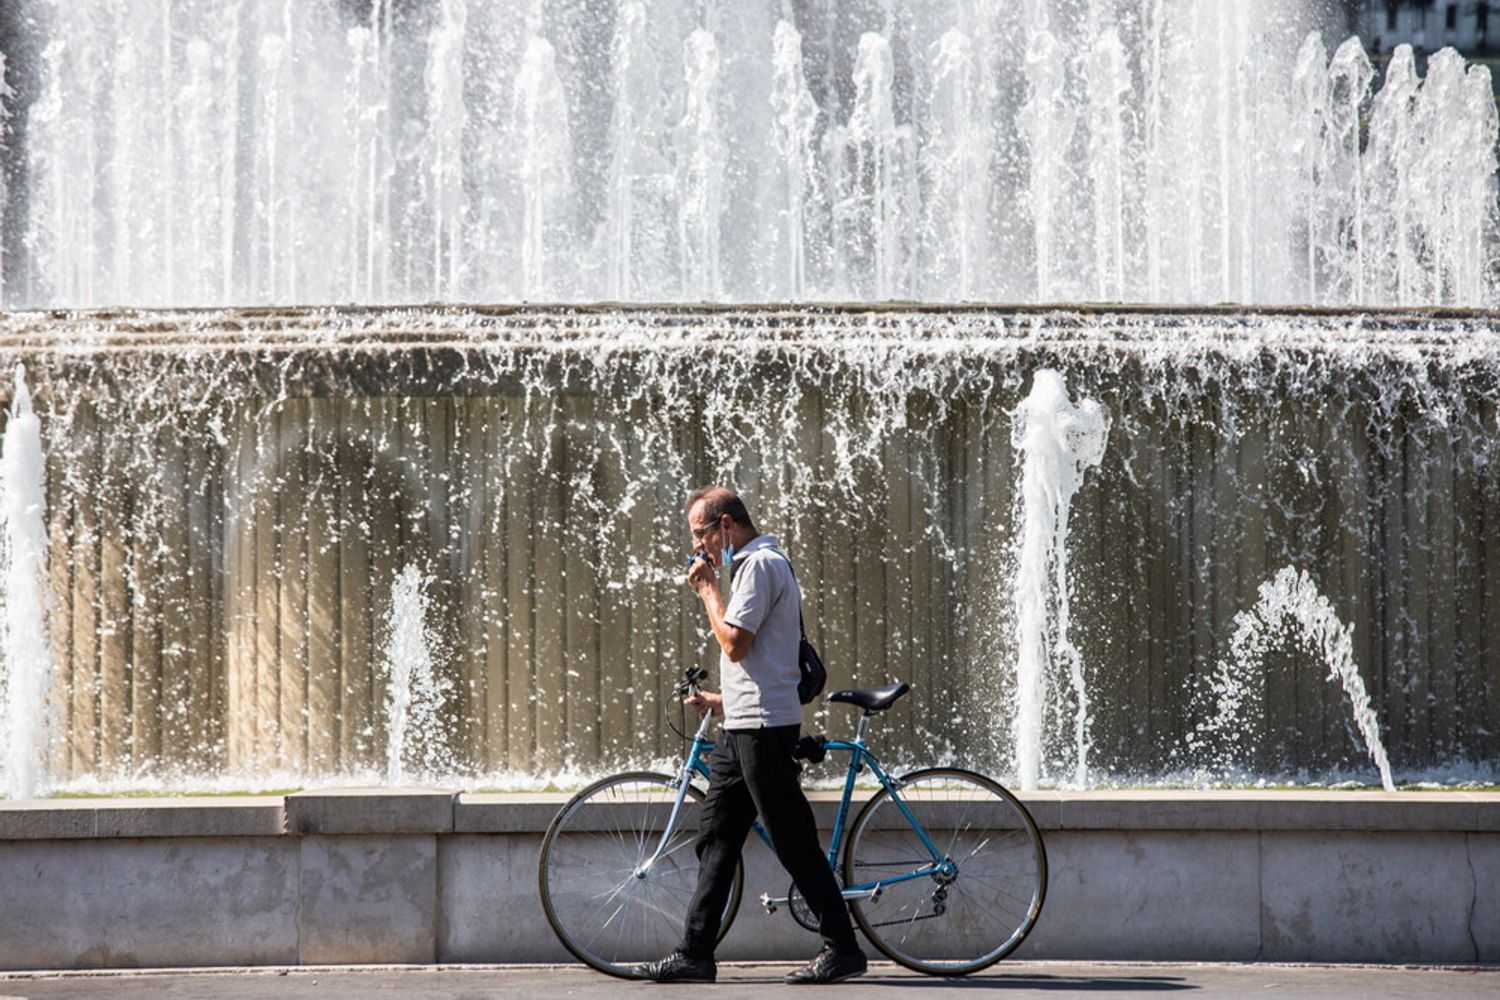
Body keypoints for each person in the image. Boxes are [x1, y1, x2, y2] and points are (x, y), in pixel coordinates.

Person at [636, 487, 867, 986]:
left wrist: (706, 590)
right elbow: (764, 660)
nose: (698, 548)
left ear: (725, 525)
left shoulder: (760, 566)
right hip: (742, 726)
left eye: (700, 535)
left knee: (793, 841)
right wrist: (722, 702)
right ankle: (696, 953)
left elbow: (736, 644)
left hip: (763, 730)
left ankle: (844, 947)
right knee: (716, 837)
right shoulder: (752, 567)